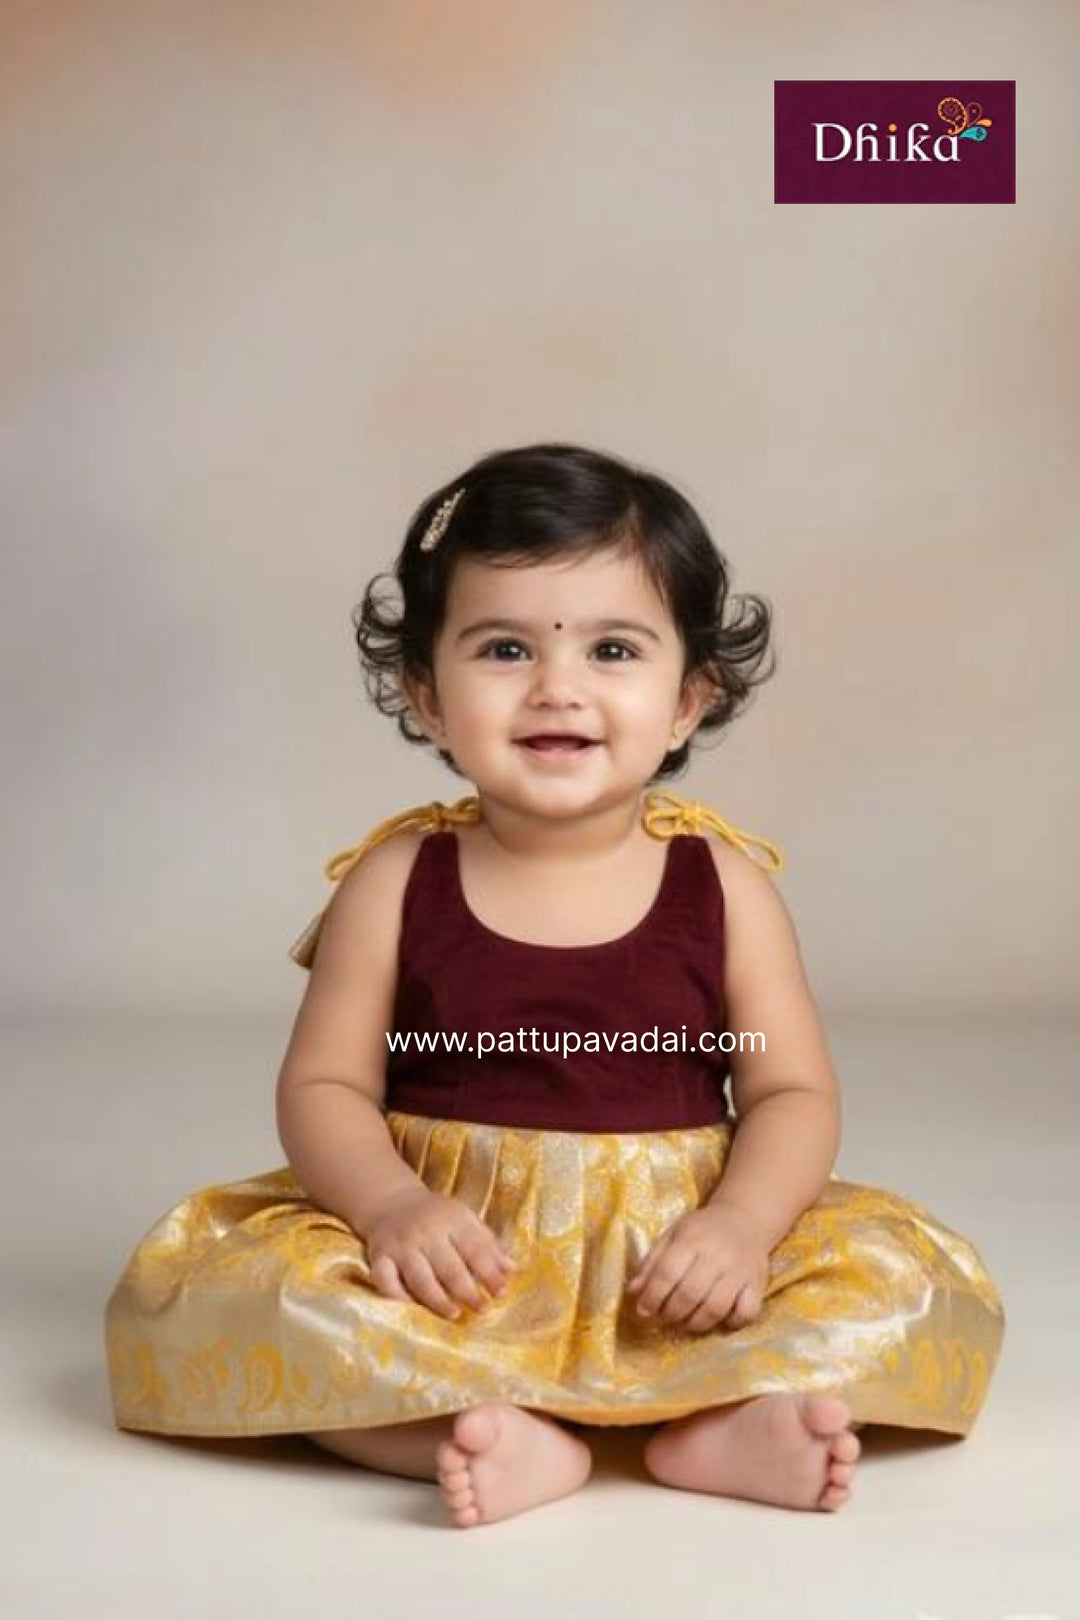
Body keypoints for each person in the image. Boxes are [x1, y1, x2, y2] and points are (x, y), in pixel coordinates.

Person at [104, 442, 1005, 1528]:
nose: (557, 688)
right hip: (456, 1260)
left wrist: (741, 1228)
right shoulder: (394, 882)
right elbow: (325, 1087)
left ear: (687, 701)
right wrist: (391, 1209)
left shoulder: (724, 887)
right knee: (250, 1301)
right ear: (428, 698)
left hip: (669, 1263)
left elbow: (792, 1094)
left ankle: (716, 1428)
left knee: (900, 1289)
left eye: (614, 648)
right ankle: (480, 1432)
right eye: (504, 648)